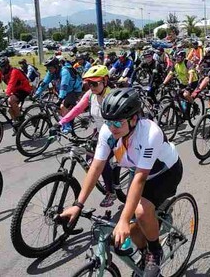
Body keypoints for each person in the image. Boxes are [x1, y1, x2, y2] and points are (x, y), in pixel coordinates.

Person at [57, 88, 183, 277]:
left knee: (139, 211)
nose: (111, 126)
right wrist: (78, 205)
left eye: (117, 122)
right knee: (133, 224)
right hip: (140, 170)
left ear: (133, 119)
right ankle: (145, 240)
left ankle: (155, 251)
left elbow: (140, 179)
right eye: (108, 121)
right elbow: (96, 168)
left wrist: (123, 220)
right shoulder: (108, 132)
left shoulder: (150, 133)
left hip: (165, 173)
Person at [58, 65, 117, 207]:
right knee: (89, 158)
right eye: (88, 84)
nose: (91, 87)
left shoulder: (112, 96)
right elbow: (78, 108)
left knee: (101, 162)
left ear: (105, 81)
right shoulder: (91, 94)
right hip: (99, 131)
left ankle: (111, 192)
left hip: (114, 132)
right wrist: (61, 123)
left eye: (95, 83)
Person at [0, 57, 32, 125]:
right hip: (15, 90)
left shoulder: (15, 71)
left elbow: (11, 84)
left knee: (10, 100)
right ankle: (17, 125)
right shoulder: (1, 73)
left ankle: (21, 120)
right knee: (9, 109)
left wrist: (7, 95)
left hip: (24, 89)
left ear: (6, 66)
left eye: (0, 67)